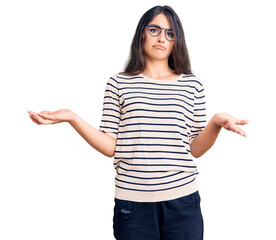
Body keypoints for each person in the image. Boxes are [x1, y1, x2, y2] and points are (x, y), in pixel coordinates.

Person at [27, 5, 248, 240]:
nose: (162, 37)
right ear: (142, 32)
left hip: (183, 203)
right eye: (155, 30)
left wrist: (215, 123)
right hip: (132, 205)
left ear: (176, 41)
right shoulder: (118, 83)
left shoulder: (192, 85)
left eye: (170, 33)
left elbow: (195, 149)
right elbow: (111, 146)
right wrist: (73, 117)